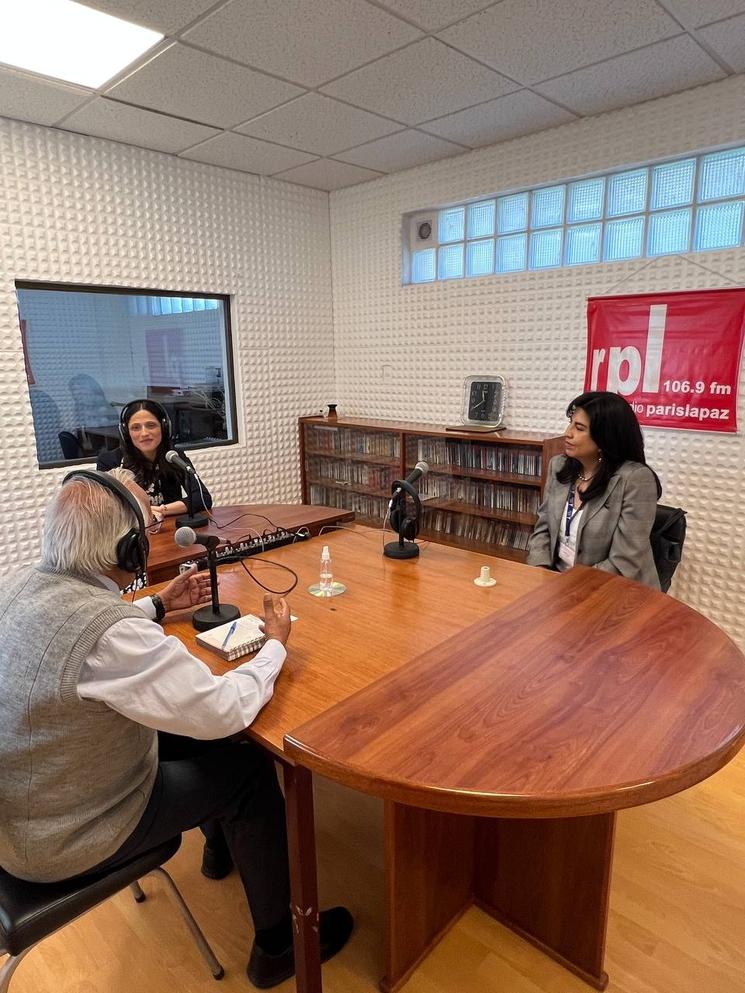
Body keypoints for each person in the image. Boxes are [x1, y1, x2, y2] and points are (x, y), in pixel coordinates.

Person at [0, 468, 352, 988]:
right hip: (67, 837)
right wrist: (276, 642)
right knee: (248, 767)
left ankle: (219, 852)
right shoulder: (111, 637)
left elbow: (84, 632)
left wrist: (159, 606)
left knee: (186, 733)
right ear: (126, 549)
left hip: (26, 815)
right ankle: (280, 946)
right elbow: (222, 709)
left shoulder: (21, 587)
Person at [527, 391, 661, 588]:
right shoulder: (559, 466)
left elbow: (624, 561)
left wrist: (571, 587)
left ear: (604, 438)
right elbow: (543, 528)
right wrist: (540, 574)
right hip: (559, 586)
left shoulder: (635, 480)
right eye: (571, 422)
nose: (568, 432)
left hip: (615, 592)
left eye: (579, 428)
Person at [97, 398, 212, 521]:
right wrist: (146, 511)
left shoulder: (173, 456)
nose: (144, 433)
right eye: (136, 428)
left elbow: (202, 498)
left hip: (167, 529)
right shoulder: (110, 461)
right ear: (126, 433)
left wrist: (163, 510)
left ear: (164, 427)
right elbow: (107, 509)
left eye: (151, 425)